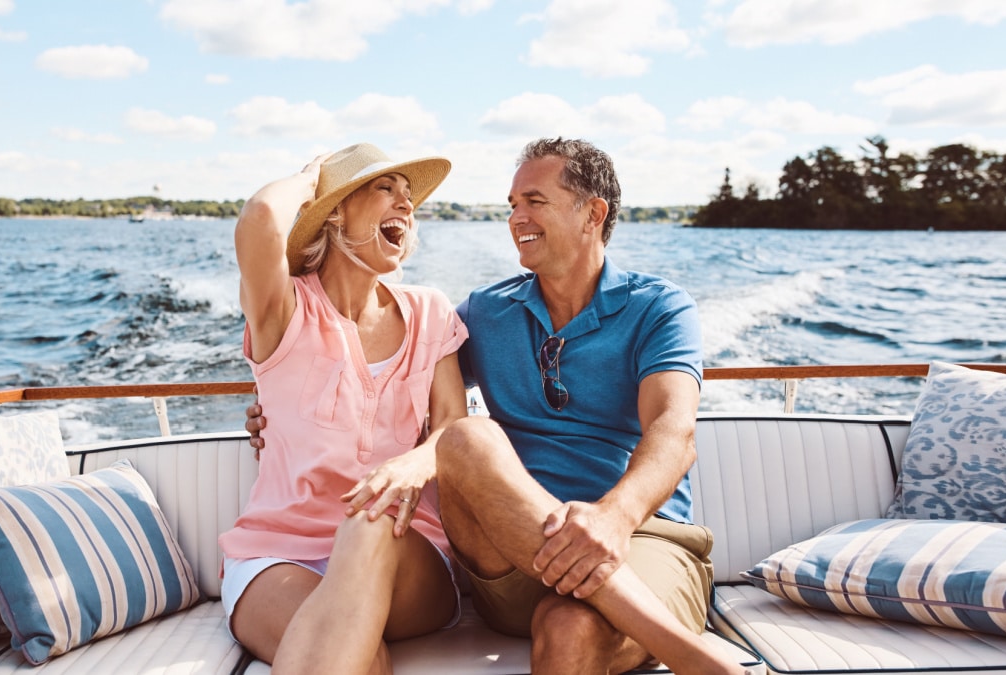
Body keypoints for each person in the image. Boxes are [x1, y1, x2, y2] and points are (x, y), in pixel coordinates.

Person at [246, 138, 744, 674]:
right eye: (512, 204)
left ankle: (683, 650)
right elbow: (389, 379)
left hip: (638, 533)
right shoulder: (485, 312)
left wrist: (613, 517)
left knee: (569, 628)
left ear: (593, 214)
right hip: (511, 555)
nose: (515, 218)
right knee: (468, 436)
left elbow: (673, 432)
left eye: (534, 201)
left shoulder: (658, 307)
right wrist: (276, 402)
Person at [221, 142, 469, 675]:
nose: (406, 204)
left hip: (404, 547)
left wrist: (416, 461)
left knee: (370, 525)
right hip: (279, 552)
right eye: (385, 188)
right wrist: (311, 180)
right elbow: (261, 218)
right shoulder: (285, 310)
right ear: (335, 213)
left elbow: (454, 425)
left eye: (409, 195)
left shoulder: (431, 311)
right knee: (362, 661)